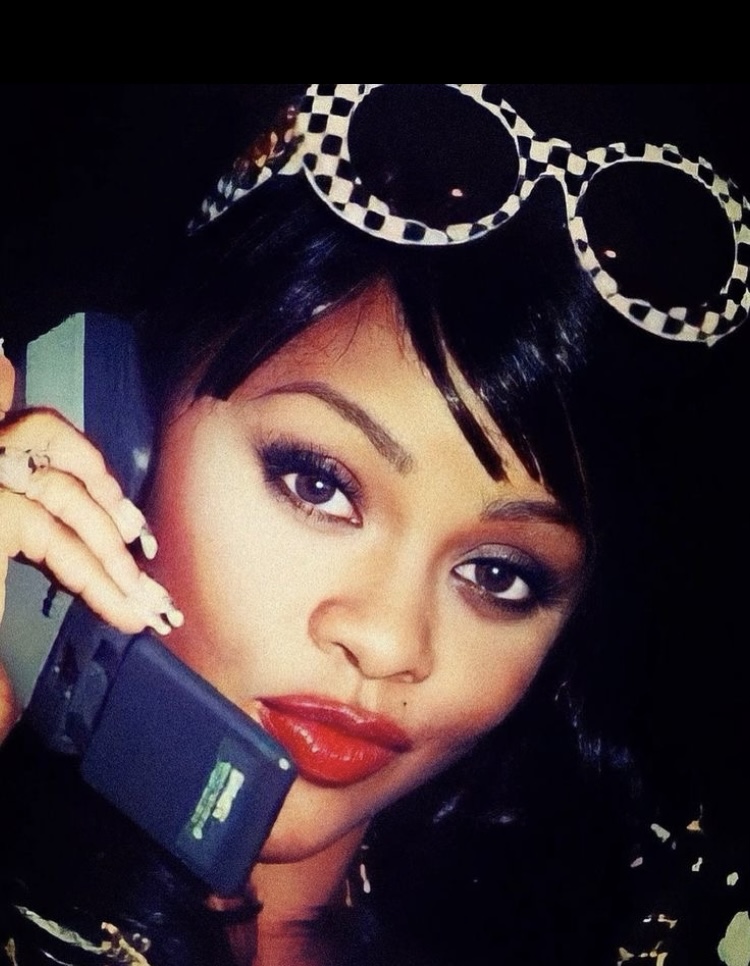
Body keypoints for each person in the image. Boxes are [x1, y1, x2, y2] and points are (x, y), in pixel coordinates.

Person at [0, 84, 748, 965]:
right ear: (111, 420)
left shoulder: (654, 917)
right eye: (317, 484)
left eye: (499, 573)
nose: (391, 643)